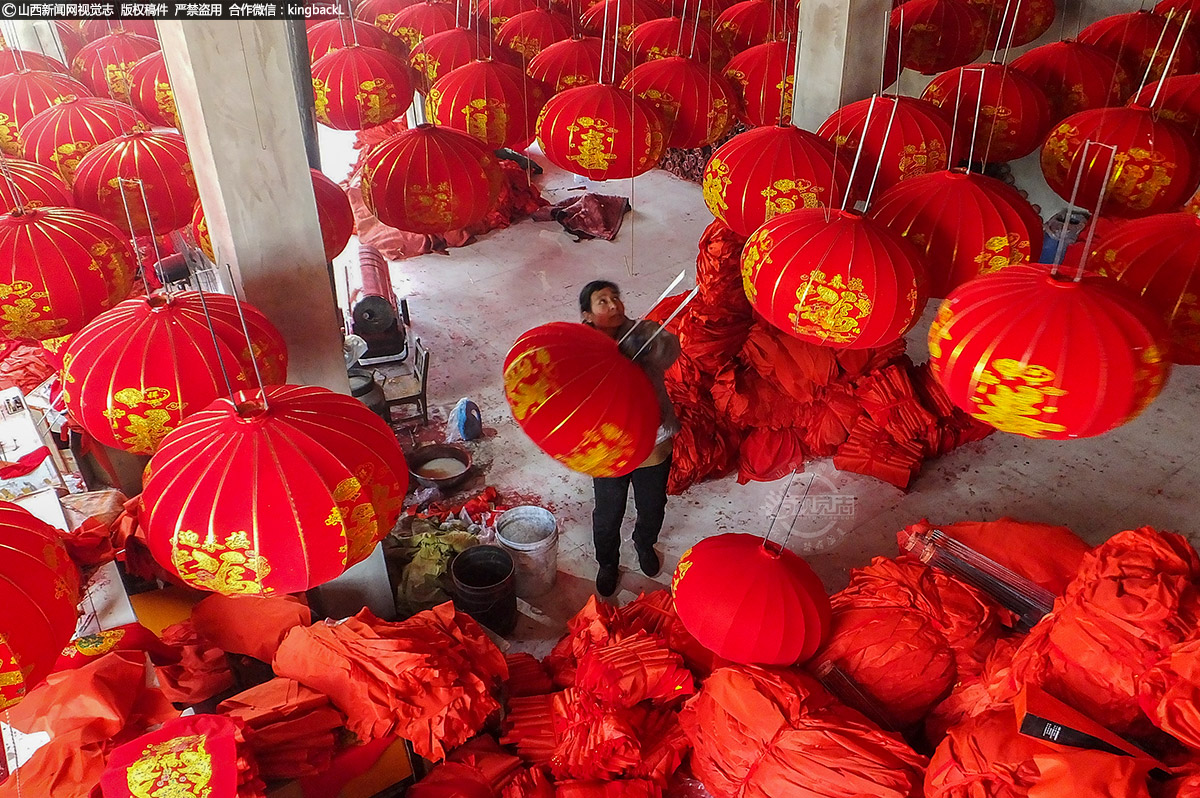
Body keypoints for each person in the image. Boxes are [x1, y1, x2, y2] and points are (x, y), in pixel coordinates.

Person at [579, 280, 681, 597]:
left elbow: (671, 351)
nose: (613, 305)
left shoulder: (644, 331)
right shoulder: (581, 347)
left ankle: (644, 543)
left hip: (653, 441)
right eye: (602, 301)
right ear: (587, 315)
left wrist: (647, 344)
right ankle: (608, 562)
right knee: (608, 513)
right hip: (608, 447)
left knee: (653, 506)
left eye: (615, 298)